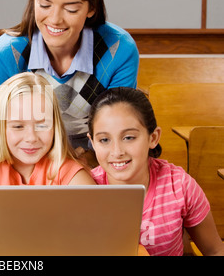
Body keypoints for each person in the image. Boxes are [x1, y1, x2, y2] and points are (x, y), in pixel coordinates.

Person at [0, 0, 139, 169]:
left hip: (88, 168)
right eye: (44, 4)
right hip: (20, 163)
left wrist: (71, 165)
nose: (54, 19)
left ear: (92, 8)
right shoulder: (9, 52)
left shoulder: (118, 50)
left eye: (70, 9)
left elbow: (117, 146)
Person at [87, 87, 224, 256]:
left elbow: (215, 250)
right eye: (104, 140)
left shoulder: (179, 185)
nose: (117, 152)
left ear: (153, 138)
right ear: (92, 142)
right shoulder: (84, 189)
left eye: (129, 137)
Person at [0, 73, 95, 237]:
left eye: (42, 125)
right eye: (18, 126)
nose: (31, 138)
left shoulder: (65, 167)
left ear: (55, 126)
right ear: (0, 127)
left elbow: (93, 223)